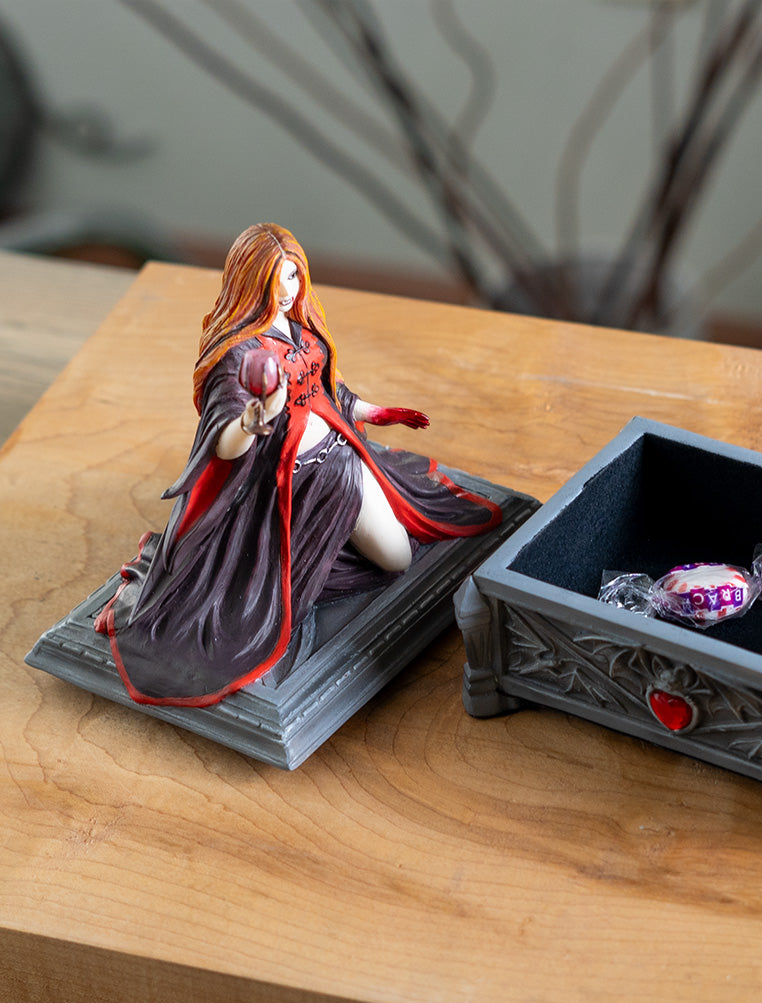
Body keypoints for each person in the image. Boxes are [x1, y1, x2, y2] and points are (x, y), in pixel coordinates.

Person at [95, 223, 501, 707]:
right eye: (275, 280)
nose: (288, 291)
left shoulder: (302, 328)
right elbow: (224, 445)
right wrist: (255, 417)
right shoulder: (238, 354)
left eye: (293, 276)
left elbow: (329, 392)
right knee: (368, 564)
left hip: (341, 461)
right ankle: (285, 570)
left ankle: (310, 558)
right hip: (286, 485)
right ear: (250, 282)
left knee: (399, 558)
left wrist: (377, 412)